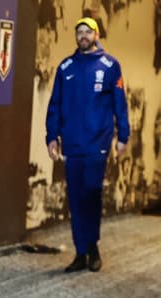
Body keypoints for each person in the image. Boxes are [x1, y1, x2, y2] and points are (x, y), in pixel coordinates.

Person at [46, 17, 129, 273]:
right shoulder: (65, 67)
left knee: (92, 192)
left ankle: (92, 246)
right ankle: (81, 252)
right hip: (72, 144)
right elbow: (55, 105)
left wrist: (123, 136)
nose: (82, 36)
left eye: (87, 31)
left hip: (98, 142)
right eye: (79, 32)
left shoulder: (110, 65)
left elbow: (119, 103)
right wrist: (51, 137)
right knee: (76, 197)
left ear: (96, 34)